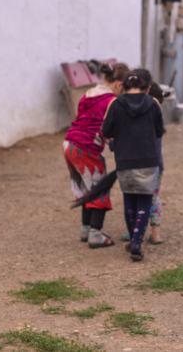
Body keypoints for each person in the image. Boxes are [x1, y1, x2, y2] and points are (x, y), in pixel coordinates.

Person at [63, 63, 130, 248]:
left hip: (69, 144)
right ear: (119, 85)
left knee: (86, 188)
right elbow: (111, 127)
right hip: (86, 148)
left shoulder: (89, 93)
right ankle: (95, 234)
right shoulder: (112, 101)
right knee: (99, 188)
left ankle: (85, 229)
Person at [102, 69, 164, 261]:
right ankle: (137, 241)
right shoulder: (153, 103)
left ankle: (133, 240)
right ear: (149, 88)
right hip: (148, 160)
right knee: (145, 200)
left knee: (129, 199)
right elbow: (159, 131)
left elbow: (106, 130)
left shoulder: (115, 103)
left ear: (124, 86)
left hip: (124, 160)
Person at [121, 81, 166, 245]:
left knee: (137, 197)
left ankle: (137, 233)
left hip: (147, 164)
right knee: (152, 197)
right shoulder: (157, 116)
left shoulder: (148, 118)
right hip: (156, 165)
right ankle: (153, 233)